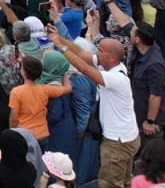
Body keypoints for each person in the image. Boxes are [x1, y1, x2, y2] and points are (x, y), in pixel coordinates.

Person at [53, 26, 136, 188]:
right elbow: (81, 54)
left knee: (110, 184)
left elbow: (84, 68)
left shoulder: (115, 78)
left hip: (117, 142)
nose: (96, 53)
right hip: (124, 137)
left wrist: (61, 47)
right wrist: (59, 37)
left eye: (100, 50)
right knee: (124, 182)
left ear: (110, 57)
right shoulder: (112, 65)